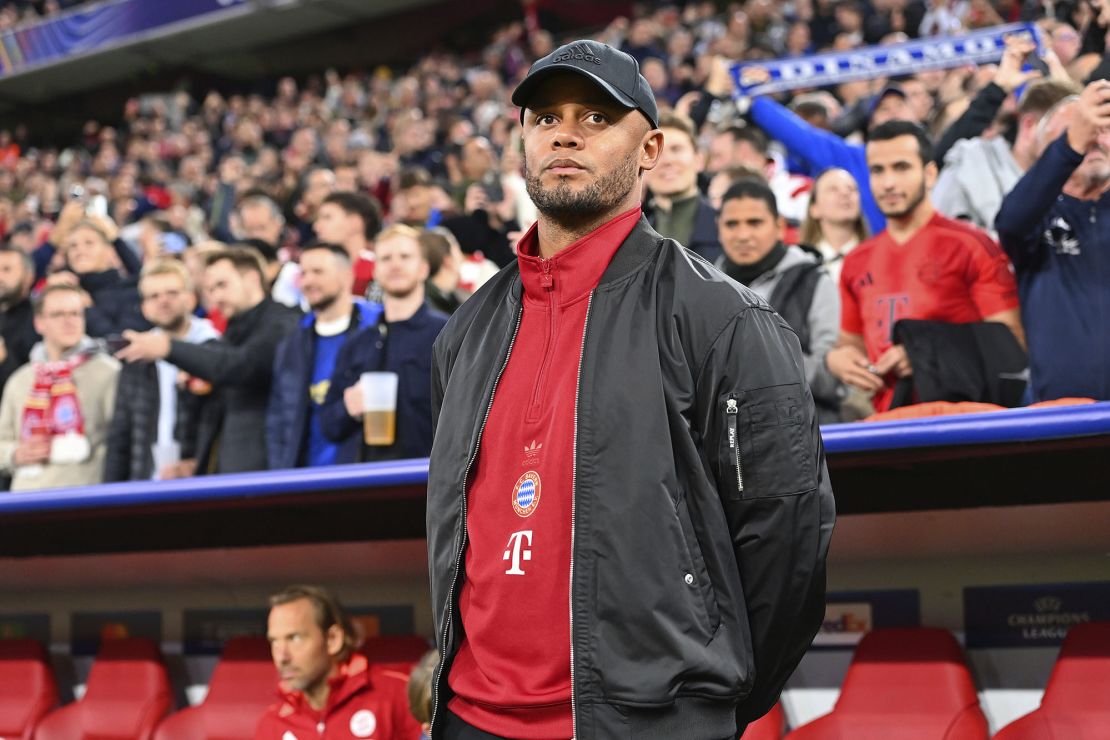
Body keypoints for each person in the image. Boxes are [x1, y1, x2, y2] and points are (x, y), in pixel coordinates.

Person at [426, 40, 833, 740]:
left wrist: (700, 703)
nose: (564, 132)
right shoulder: (465, 331)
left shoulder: (723, 317)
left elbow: (787, 539)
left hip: (647, 722)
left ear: (649, 149)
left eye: (594, 118)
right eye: (545, 117)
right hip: (470, 718)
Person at [826, 121, 1024, 413]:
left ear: (930, 174)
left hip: (966, 422)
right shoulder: (856, 261)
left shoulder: (971, 244)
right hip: (891, 422)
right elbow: (850, 343)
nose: (888, 182)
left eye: (901, 167)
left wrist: (925, 355)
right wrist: (837, 359)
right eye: (878, 171)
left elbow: (1013, 344)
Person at [117, 248, 300, 473]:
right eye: (210, 290)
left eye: (222, 285)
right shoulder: (231, 333)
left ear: (252, 279)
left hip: (268, 470)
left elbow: (242, 366)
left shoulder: (282, 322)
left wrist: (169, 347)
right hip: (229, 471)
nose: (215, 297)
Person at [995, 80, 1110, 401]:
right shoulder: (1034, 217)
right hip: (1062, 417)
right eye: (1074, 132)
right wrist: (1071, 146)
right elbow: (1010, 223)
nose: (1092, 140)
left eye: (1101, 130)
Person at [716, 180, 842, 422]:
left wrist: (756, 360)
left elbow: (831, 380)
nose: (743, 235)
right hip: (726, 437)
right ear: (718, 228)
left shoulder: (814, 281)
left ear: (780, 226)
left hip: (802, 431)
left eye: (755, 223)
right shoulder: (705, 286)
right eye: (732, 224)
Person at [319, 225, 447, 462]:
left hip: (429, 483)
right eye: (386, 258)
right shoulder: (356, 343)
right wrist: (346, 408)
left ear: (423, 269)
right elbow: (328, 426)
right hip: (367, 484)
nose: (395, 265)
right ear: (375, 271)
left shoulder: (447, 334)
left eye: (405, 257)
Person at [267, 242, 382, 470]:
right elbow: (278, 420)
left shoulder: (380, 330)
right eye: (303, 273)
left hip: (362, 474)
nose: (308, 281)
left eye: (318, 272)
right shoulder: (292, 343)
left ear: (347, 276)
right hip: (305, 480)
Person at [104, 259, 220, 482]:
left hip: (202, 482)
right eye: (153, 296)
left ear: (191, 298)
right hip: (145, 484)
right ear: (144, 307)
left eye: (172, 293)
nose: (163, 301)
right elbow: (121, 435)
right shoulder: (136, 358)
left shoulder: (214, 350)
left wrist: (201, 463)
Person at [256, 585, 423, 740]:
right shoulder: (271, 724)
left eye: (295, 638)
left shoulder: (399, 693)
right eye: (274, 641)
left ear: (332, 639)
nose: (282, 657)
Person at [0, 284, 119, 491]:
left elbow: (120, 441)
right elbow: (3, 440)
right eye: (58, 315)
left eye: (75, 314)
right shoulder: (20, 380)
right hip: (25, 498)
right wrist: (14, 454)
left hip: (85, 494)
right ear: (39, 323)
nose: (69, 321)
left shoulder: (108, 372)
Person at [933, 79, 1081, 232]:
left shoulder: (1078, 176)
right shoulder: (971, 161)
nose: (1077, 143)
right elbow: (939, 234)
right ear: (1029, 125)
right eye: (1068, 132)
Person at [644, 110, 723, 261]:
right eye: (657, 152)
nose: (667, 161)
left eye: (676, 149)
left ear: (699, 160)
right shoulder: (631, 239)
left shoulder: (728, 227)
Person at [52, 217, 149, 337]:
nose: (80, 250)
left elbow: (121, 341)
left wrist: (88, 309)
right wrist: (49, 293)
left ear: (109, 251)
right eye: (73, 246)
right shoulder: (63, 289)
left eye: (89, 243)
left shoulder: (130, 292)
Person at [799, 167, 870, 284]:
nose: (845, 193)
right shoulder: (800, 263)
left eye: (851, 189)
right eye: (833, 189)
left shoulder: (878, 259)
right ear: (814, 208)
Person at [313, 191, 382, 297]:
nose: (316, 227)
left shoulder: (380, 269)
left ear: (355, 222)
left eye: (327, 217)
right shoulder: (314, 271)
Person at [0, 246, 40, 393]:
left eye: (7, 270)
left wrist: (4, 360)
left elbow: (34, 384)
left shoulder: (39, 319)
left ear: (28, 277)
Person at [419, 228, 467, 316]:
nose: (462, 258)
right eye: (458, 251)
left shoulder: (452, 299)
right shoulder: (432, 308)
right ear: (448, 260)